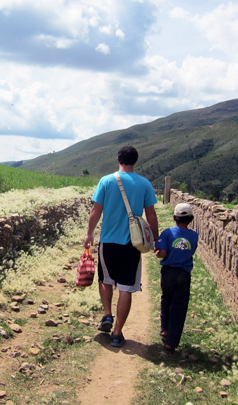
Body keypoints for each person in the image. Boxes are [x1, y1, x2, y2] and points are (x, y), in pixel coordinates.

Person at [83, 146, 159, 348]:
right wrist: (156, 239)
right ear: (136, 161)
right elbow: (151, 215)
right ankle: (117, 333)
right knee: (125, 288)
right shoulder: (144, 184)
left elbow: (95, 210)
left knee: (105, 280)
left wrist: (89, 234)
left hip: (108, 242)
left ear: (118, 159)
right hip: (133, 244)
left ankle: (107, 314)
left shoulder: (106, 181)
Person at [154, 203, 199, 353]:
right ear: (191, 219)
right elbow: (190, 250)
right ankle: (171, 342)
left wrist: (157, 253)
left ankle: (164, 329)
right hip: (184, 273)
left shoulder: (167, 233)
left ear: (174, 217)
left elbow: (162, 253)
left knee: (166, 298)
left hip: (168, 272)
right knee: (179, 305)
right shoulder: (194, 236)